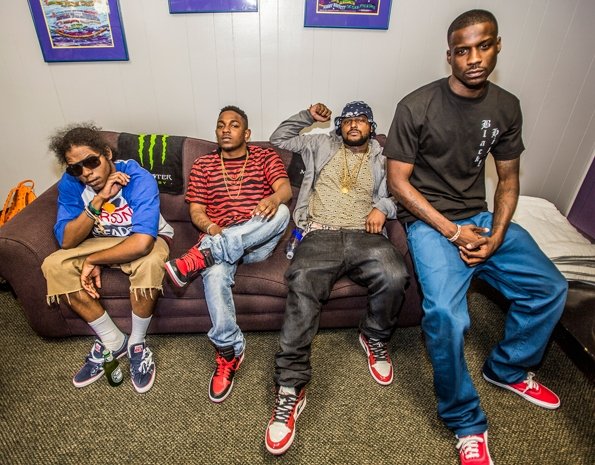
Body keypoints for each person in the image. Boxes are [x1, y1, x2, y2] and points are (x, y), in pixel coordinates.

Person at [384, 9, 568, 465]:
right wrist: (453, 232)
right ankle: (465, 420)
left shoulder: (506, 107)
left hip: (480, 217)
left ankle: (507, 367)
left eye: (483, 46)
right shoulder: (416, 106)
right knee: (446, 316)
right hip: (431, 224)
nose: (474, 58)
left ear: (497, 46)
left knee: (549, 287)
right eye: (462, 50)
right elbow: (398, 184)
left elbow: (508, 179)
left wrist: (496, 233)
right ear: (449, 55)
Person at [264, 101, 409, 455]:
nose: (354, 125)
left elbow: (400, 196)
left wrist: (382, 208)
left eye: (361, 120)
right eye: (348, 120)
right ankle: (290, 387)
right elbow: (278, 139)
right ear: (340, 126)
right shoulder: (319, 143)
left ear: (371, 127)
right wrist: (307, 117)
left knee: (395, 274)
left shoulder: (384, 157)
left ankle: (374, 336)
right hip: (320, 234)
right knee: (301, 284)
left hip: (365, 235)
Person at [164, 105, 291, 403]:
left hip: (257, 238)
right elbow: (196, 211)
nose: (225, 129)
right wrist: (211, 227)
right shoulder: (203, 165)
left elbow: (285, 190)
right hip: (218, 235)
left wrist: (273, 199)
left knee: (283, 212)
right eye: (221, 125)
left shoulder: (265, 156)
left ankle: (201, 257)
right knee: (216, 273)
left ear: (246, 133)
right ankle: (228, 351)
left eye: (234, 125)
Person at [42, 124, 174, 393]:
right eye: (76, 168)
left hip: (141, 238)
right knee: (54, 265)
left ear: (107, 153)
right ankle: (113, 340)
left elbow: (142, 243)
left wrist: (94, 261)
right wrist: (99, 200)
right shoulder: (72, 184)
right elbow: (66, 240)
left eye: (91, 162)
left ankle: (137, 343)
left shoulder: (137, 177)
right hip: (99, 239)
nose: (86, 173)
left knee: (150, 263)